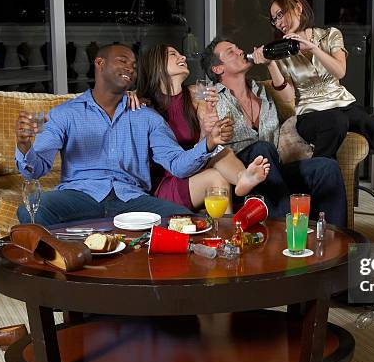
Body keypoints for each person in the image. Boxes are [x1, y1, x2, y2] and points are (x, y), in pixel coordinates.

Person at [15, 44, 232, 226]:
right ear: (100, 64)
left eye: (133, 66)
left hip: (132, 199)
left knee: (187, 223)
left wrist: (210, 142)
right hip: (80, 195)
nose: (130, 68)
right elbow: (35, 170)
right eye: (122, 61)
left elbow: (177, 164)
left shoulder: (148, 117)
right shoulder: (64, 113)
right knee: (30, 211)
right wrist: (24, 145)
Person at [201, 37, 348, 228]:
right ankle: (289, 231)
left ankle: (337, 242)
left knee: (327, 168)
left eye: (238, 47)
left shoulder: (262, 90)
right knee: (261, 149)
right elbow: (206, 144)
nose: (239, 51)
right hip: (242, 175)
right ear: (218, 69)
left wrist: (270, 62)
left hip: (274, 169)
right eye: (231, 52)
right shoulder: (210, 98)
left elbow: (289, 98)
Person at [249, 0, 374, 163]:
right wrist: (271, 64)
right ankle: (320, 174)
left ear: (298, 8)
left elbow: (340, 71)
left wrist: (313, 48)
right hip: (309, 114)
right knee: (337, 120)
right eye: (274, 19)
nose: (278, 22)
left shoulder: (330, 35)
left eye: (280, 14)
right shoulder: (281, 51)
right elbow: (289, 96)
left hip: (342, 104)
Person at [131, 44, 270, 213]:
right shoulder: (142, 101)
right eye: (173, 54)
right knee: (215, 177)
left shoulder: (198, 91)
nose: (182, 57)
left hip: (194, 165)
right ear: (156, 64)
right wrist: (128, 94)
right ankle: (226, 235)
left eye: (181, 54)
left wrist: (210, 128)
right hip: (168, 180)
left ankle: (243, 177)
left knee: (221, 151)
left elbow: (205, 143)